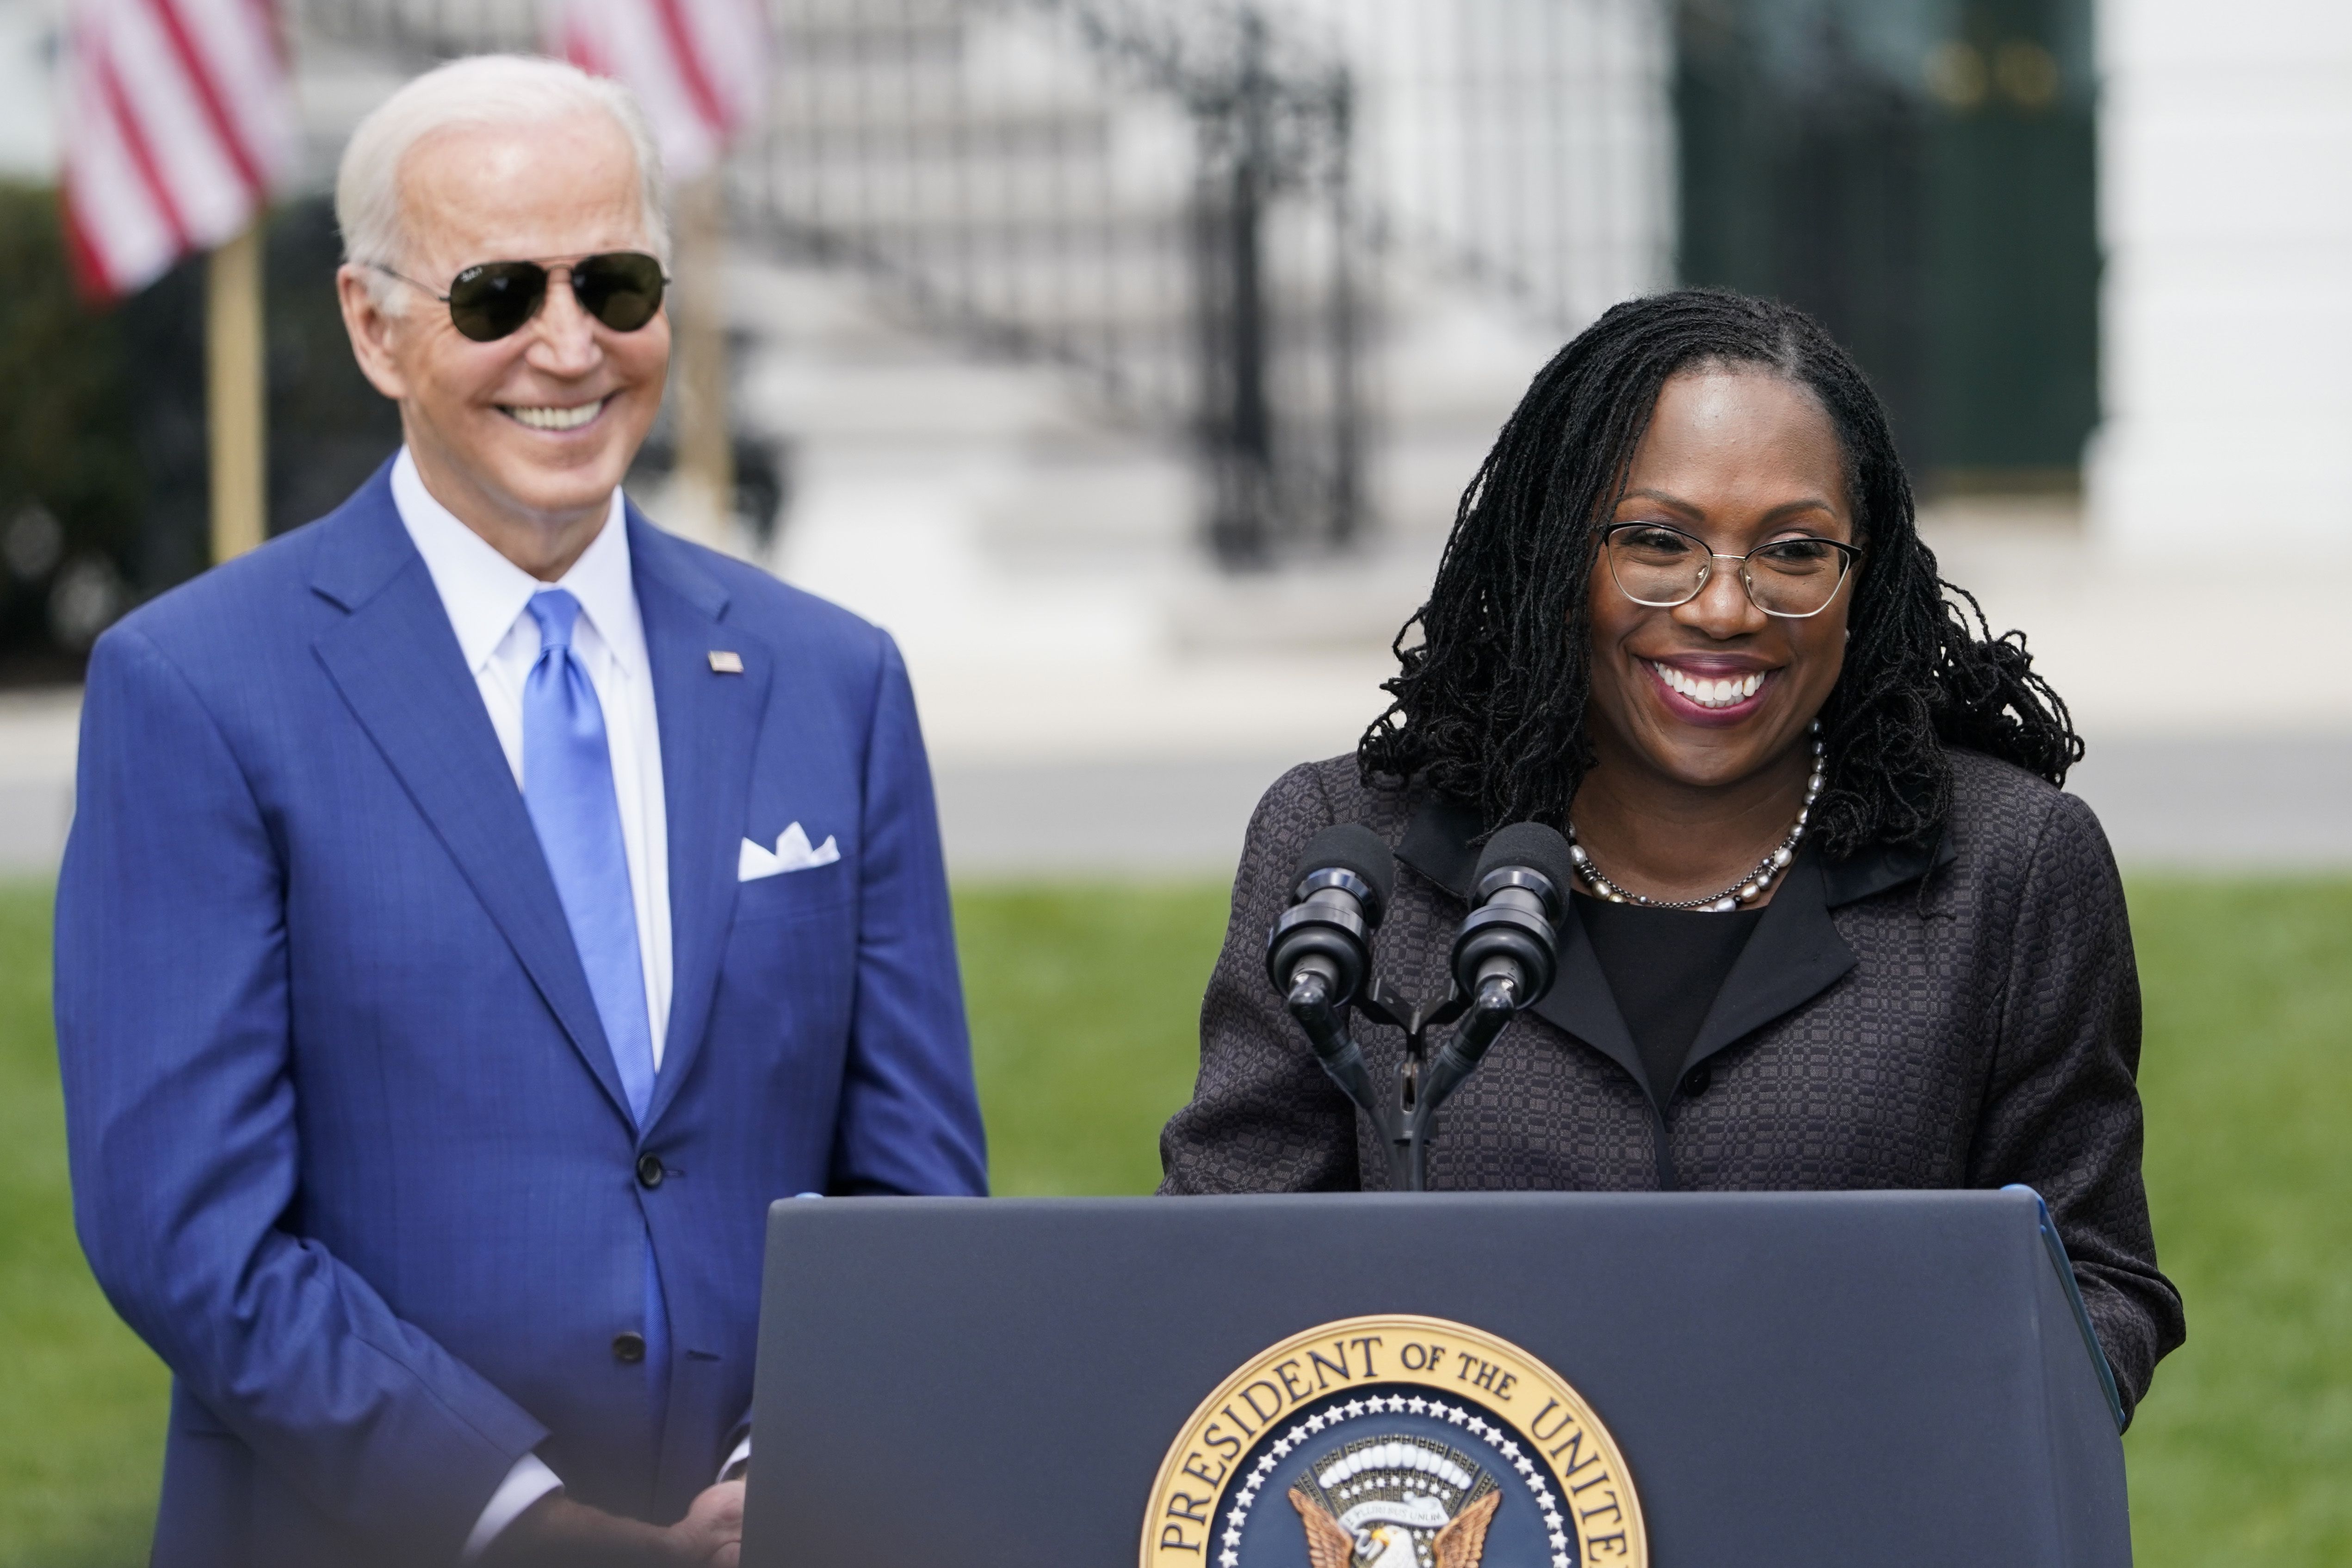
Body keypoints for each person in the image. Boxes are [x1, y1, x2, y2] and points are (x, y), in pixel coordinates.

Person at [54, 55, 987, 1566]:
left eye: (616, 283)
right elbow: (188, 1231)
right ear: (374, 324)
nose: (571, 347)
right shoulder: (197, 690)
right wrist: (529, 1524)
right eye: (497, 296)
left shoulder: (834, 679)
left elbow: (918, 1178)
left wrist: (786, 1476)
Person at [1159, 289, 2183, 1418]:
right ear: (1555, 551)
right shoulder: (1349, 855)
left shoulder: (2011, 865)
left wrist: (1927, 1431)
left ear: (1867, 577)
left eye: (1795, 551)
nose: (1726, 607)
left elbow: (2097, 1279)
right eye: (1657, 542)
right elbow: (1219, 1264)